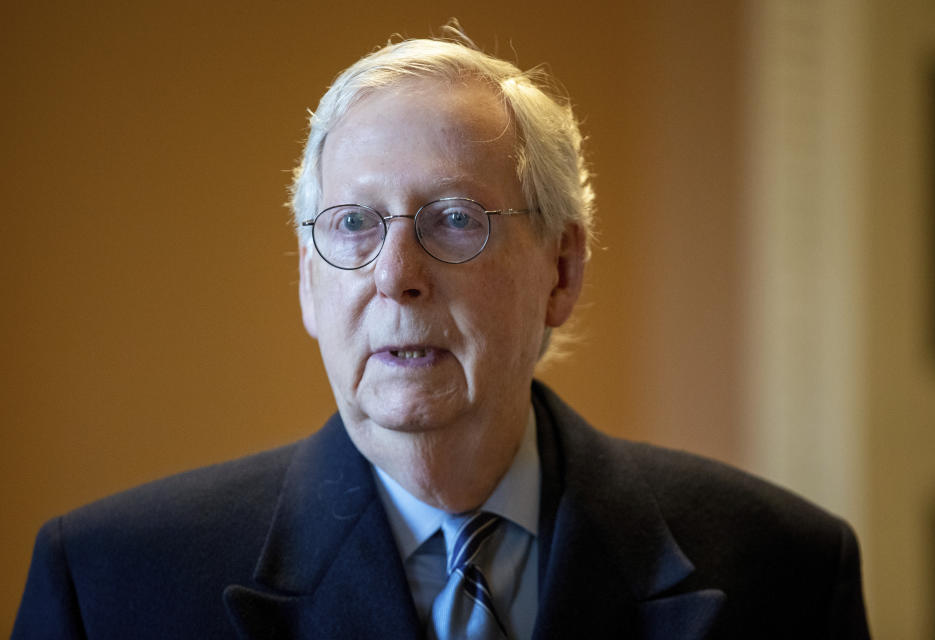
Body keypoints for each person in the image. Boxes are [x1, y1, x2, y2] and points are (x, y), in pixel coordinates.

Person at [14, 25, 871, 639]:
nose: (395, 273)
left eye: (455, 219)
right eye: (352, 223)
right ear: (309, 283)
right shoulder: (108, 585)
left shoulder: (785, 568)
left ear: (562, 272)